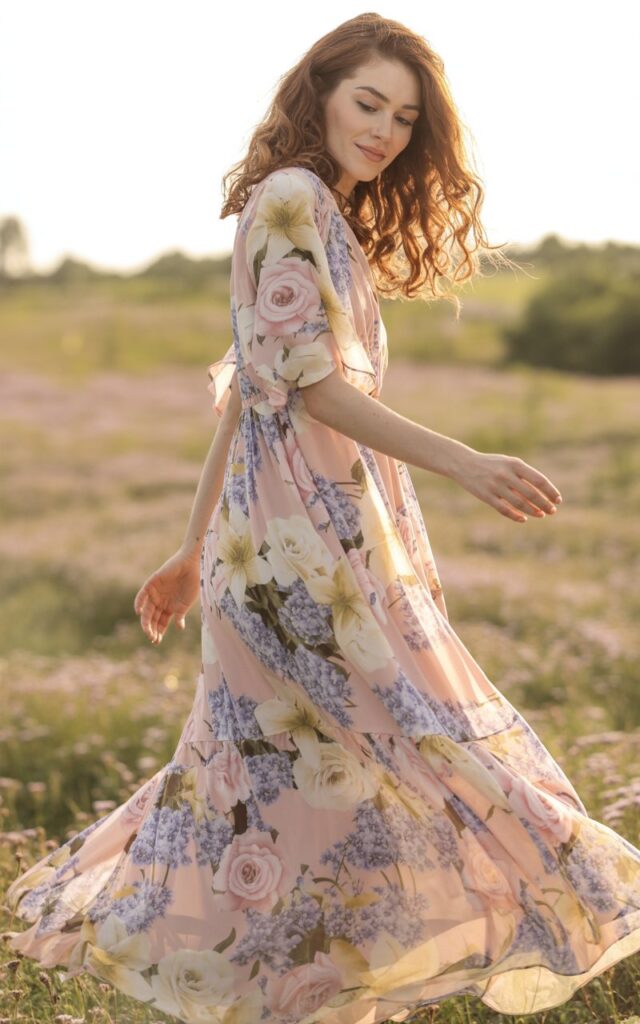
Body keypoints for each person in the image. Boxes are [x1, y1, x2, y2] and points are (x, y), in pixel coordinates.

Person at [5, 12, 640, 1023]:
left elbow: (245, 394)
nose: (384, 129)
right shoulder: (293, 199)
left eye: (402, 116)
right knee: (378, 767)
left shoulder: (319, 214)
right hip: (299, 565)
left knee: (310, 798)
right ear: (320, 91)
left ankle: (317, 1001)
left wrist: (185, 546)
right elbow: (300, 387)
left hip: (303, 546)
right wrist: (465, 460)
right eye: (366, 102)